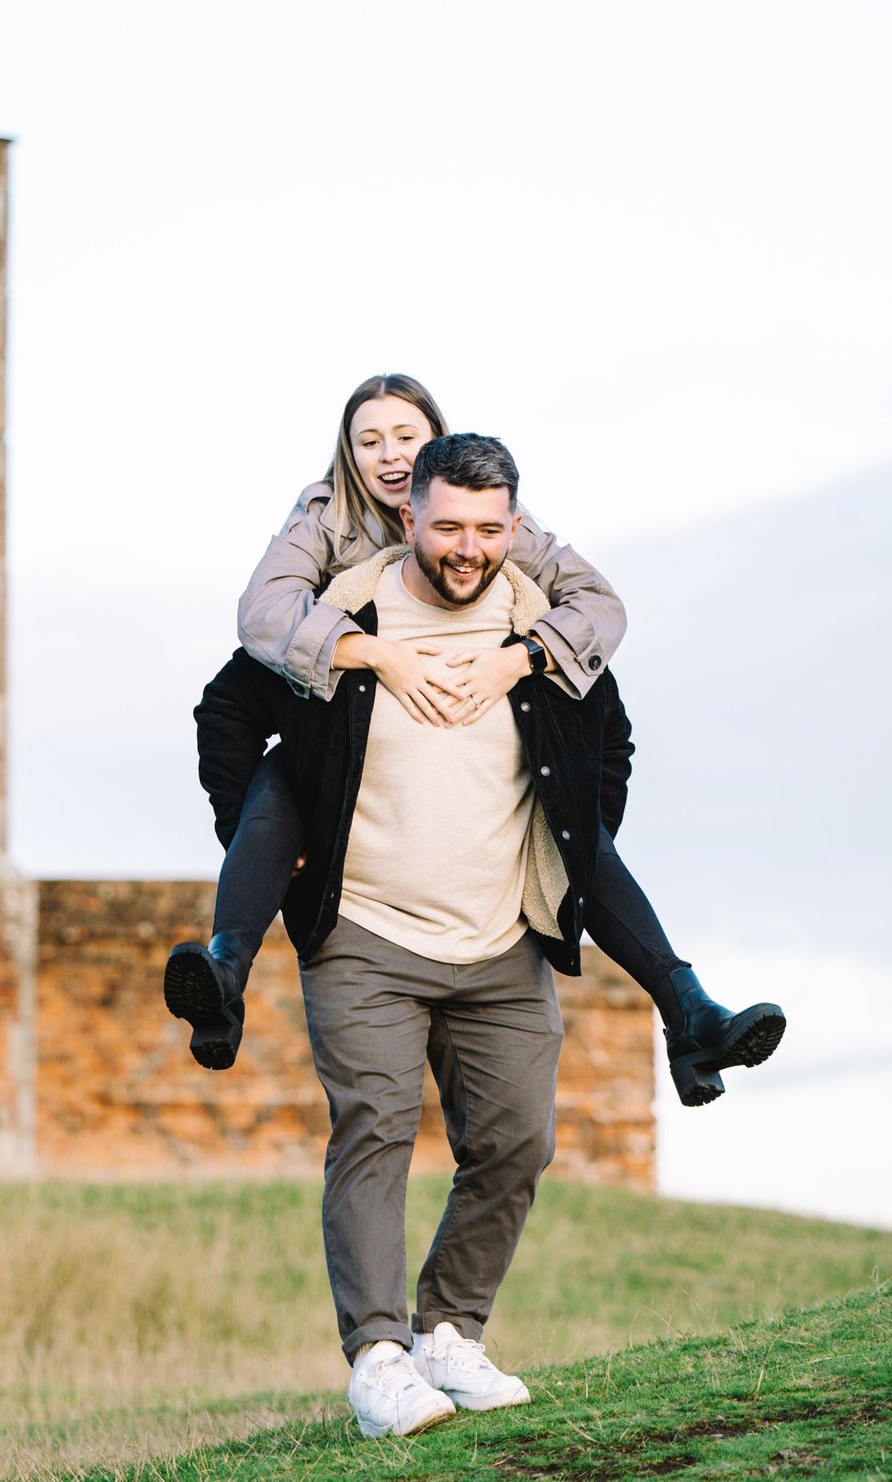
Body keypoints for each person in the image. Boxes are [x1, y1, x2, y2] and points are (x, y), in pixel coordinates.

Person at [166, 375, 784, 1106]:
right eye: (370, 441)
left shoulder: (484, 518)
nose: (390, 455)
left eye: (407, 437)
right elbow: (262, 618)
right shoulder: (325, 517)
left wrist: (518, 660)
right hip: (327, 710)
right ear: (350, 458)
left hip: (485, 762)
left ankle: (691, 1012)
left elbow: (599, 612)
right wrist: (380, 654)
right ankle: (224, 976)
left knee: (567, 819)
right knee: (276, 785)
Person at [192, 432, 630, 1434]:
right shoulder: (339, 619)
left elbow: (610, 739)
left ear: (514, 526)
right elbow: (230, 706)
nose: (468, 548)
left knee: (519, 1141)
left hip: (501, 939)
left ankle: (449, 1331)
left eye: (488, 529)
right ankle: (379, 1357)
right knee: (375, 1129)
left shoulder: (539, 625)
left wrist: (568, 844)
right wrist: (259, 838)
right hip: (365, 933)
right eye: (448, 527)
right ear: (408, 516)